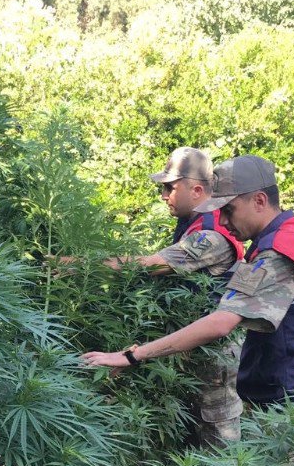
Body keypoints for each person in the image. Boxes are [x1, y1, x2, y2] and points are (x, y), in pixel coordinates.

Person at [82, 155, 294, 410]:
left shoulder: (277, 253)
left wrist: (132, 355)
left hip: (290, 404)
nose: (224, 221)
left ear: (259, 201)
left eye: (229, 210)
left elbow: (220, 323)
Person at [61, 147, 246, 445]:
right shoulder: (196, 222)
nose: (163, 195)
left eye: (169, 187)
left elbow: (148, 266)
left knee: (217, 430)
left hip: (214, 350)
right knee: (190, 427)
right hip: (187, 342)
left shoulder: (210, 234)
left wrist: (74, 266)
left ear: (196, 189)